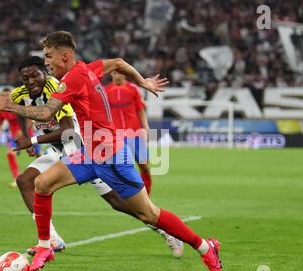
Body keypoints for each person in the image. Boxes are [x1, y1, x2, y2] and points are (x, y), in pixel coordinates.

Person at [0, 31, 222, 271]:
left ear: (65, 56)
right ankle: (46, 247)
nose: (46, 63)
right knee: (41, 184)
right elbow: (119, 63)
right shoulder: (90, 68)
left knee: (149, 214)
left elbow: (46, 113)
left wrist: (10, 106)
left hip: (111, 156)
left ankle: (206, 248)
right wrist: (144, 82)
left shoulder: (71, 80)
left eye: (49, 57)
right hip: (89, 152)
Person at [11, 56, 184, 256]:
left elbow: (69, 132)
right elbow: (20, 110)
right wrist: (26, 135)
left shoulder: (57, 89)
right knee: (25, 181)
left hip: (81, 148)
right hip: (57, 150)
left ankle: (165, 230)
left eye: (35, 75)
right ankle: (52, 240)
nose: (30, 81)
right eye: (25, 78)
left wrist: (31, 141)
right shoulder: (20, 94)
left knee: (117, 201)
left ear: (45, 73)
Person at [105, 70, 152, 194]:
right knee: (121, 167)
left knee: (144, 166)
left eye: (119, 73)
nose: (116, 75)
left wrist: (146, 127)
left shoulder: (133, 89)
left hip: (135, 133)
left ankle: (146, 195)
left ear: (124, 74)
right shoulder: (106, 90)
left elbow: (140, 110)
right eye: (114, 73)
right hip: (117, 136)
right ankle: (129, 196)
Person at [0, 88, 23, 188]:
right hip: (14, 137)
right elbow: (0, 123)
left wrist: (23, 130)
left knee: (38, 155)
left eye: (7, 95)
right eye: (3, 95)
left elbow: (29, 118)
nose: (5, 97)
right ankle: (17, 179)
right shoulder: (2, 110)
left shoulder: (18, 105)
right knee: (10, 154)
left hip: (28, 134)